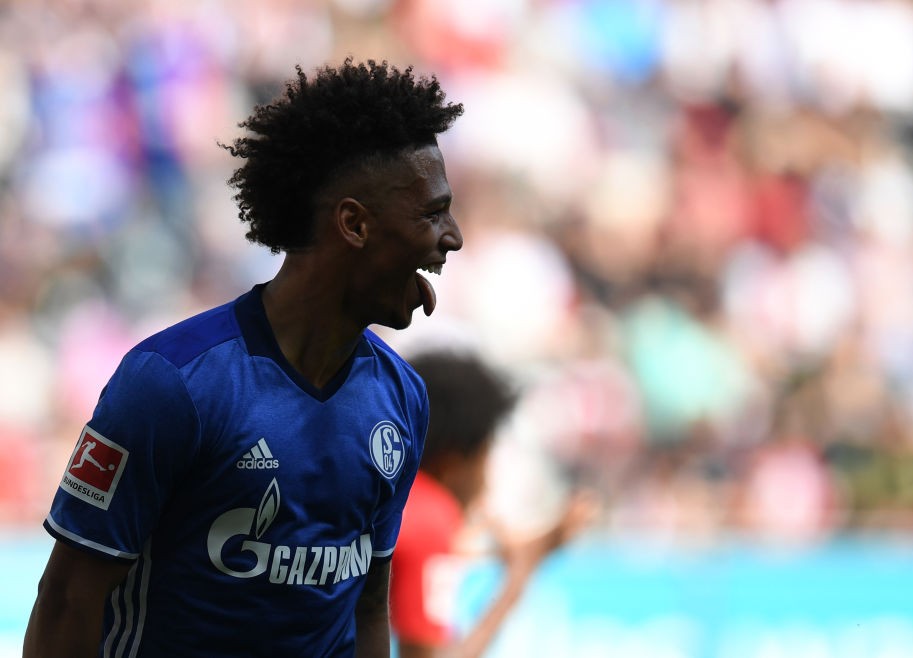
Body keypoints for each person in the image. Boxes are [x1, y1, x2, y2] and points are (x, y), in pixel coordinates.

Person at [23, 59, 464, 657]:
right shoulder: (174, 383)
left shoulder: (400, 397)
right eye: (432, 212)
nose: (453, 237)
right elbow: (68, 603)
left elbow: (365, 604)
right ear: (354, 223)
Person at [391, 350, 593, 658]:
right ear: (453, 465)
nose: (487, 479)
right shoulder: (432, 517)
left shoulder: (388, 497)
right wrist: (518, 578)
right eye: (486, 456)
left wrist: (533, 547)